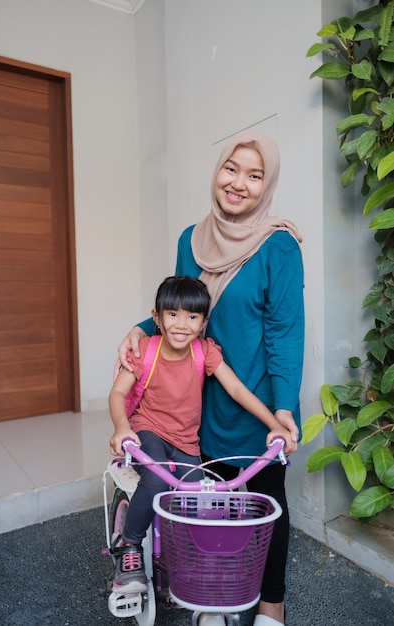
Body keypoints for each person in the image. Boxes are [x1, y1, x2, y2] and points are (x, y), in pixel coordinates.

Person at [117, 130, 304, 626]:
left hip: (256, 402)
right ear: (217, 171)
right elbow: (179, 305)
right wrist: (138, 331)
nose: (239, 183)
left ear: (268, 185)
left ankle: (271, 607)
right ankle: (211, 599)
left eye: (255, 174)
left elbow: (286, 334)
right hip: (200, 404)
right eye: (231, 168)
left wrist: (283, 408)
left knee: (265, 509)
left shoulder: (278, 246)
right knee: (203, 507)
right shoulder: (190, 239)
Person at [109, 274, 295, 597]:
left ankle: (181, 560)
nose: (182, 324)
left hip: (186, 443)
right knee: (158, 479)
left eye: (192, 316)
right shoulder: (144, 351)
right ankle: (129, 546)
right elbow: (117, 394)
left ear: (204, 322)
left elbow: (237, 389)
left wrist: (275, 423)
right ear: (156, 317)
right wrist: (122, 427)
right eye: (172, 314)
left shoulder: (204, 352)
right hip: (147, 430)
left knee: (199, 502)